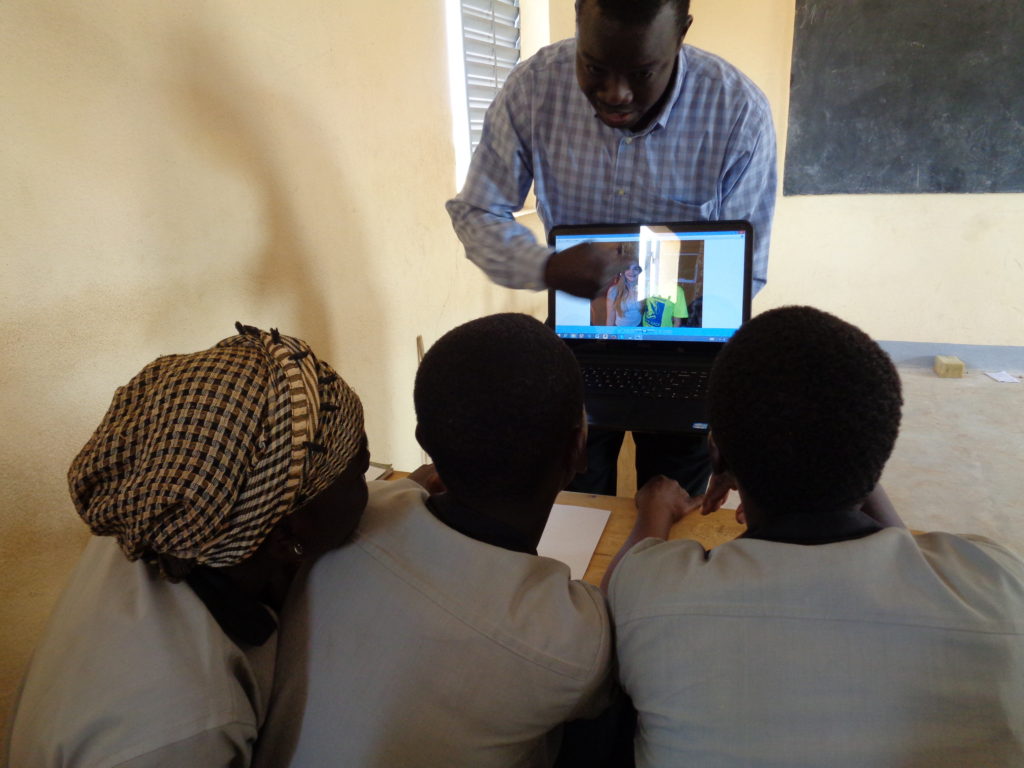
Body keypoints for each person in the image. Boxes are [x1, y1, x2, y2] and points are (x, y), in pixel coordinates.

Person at [604, 306, 1024, 766]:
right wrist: (856, 472)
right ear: (880, 453)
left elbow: (621, 582)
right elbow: (914, 561)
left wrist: (655, 509)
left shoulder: (652, 592)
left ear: (716, 454)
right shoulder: (998, 584)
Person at [447, 0, 777, 498]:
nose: (616, 93)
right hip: (578, 335)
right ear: (579, 20)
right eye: (594, 67)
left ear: (681, 34)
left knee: (671, 505)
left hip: (690, 345)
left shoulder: (737, 112)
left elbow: (744, 272)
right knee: (575, 501)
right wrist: (548, 267)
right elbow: (477, 210)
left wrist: (728, 403)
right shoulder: (534, 88)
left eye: (642, 72)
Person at [254, 314, 612, 768]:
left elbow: (408, 491)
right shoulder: (573, 637)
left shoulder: (356, 518)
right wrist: (650, 525)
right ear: (579, 447)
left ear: (424, 442)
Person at [6, 323, 370, 768]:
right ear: (284, 534)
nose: (369, 482)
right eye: (361, 467)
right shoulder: (183, 731)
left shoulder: (160, 527)